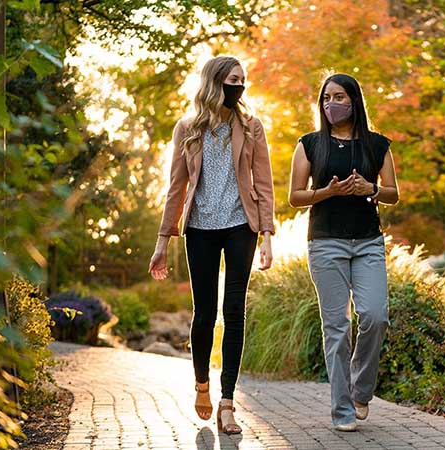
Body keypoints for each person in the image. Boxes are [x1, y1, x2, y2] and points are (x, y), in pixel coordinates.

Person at [148, 55, 275, 435]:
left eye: (244, 80)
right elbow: (176, 187)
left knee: (233, 310)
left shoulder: (251, 127)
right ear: (215, 82)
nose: (240, 86)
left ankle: (227, 402)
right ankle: (202, 385)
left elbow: (264, 183)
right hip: (200, 229)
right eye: (234, 79)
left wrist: (267, 234)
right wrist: (162, 240)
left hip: (241, 226)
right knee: (204, 313)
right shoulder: (187, 128)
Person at [288, 73, 400, 431]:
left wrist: (371, 188)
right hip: (325, 243)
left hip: (367, 241)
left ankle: (360, 391)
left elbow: (393, 192)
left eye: (338, 96)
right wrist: (328, 192)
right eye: (326, 97)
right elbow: (294, 197)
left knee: (375, 316)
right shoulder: (309, 144)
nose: (331, 104)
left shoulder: (377, 145)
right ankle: (342, 411)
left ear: (354, 100)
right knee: (336, 328)